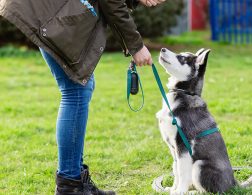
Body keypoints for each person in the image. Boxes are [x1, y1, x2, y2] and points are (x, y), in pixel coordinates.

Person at [0, 0, 165, 194]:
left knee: (81, 88)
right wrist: (136, 46)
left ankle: (74, 179)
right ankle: (70, 183)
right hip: (45, 10)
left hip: (46, 10)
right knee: (75, 92)